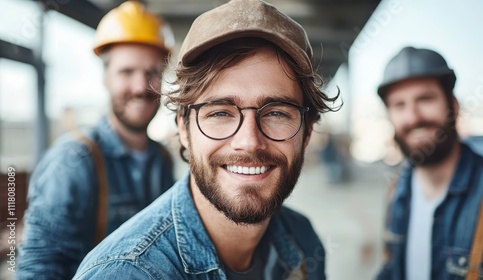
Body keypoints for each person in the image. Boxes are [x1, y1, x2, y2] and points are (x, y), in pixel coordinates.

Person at [73, 0, 341, 279]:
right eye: (220, 113)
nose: (249, 141)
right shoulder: (126, 272)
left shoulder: (302, 241)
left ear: (308, 131)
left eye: (275, 113)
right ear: (184, 130)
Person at [18, 2, 176, 279]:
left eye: (152, 72)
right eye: (127, 72)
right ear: (105, 77)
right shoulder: (72, 162)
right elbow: (38, 269)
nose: (140, 86)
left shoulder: (161, 159)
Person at [376, 46, 483, 280]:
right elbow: (392, 269)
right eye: (399, 105)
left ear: (453, 106)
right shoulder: (397, 189)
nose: (413, 117)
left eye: (425, 99)